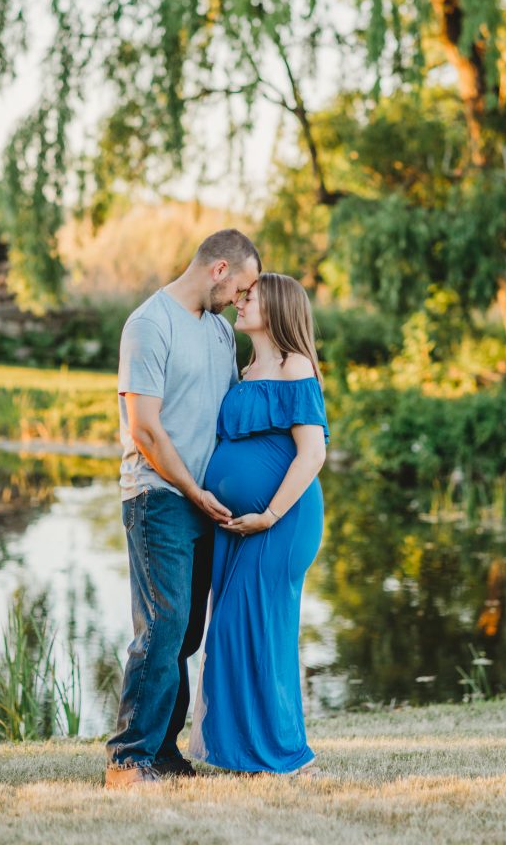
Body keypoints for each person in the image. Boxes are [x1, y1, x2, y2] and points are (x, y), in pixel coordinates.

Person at [104, 229, 261, 789]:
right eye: (241, 288)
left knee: (188, 633)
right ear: (219, 269)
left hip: (204, 504)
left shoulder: (220, 331)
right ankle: (127, 759)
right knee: (162, 627)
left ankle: (163, 752)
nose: (241, 301)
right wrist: (194, 491)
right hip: (159, 496)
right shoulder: (149, 324)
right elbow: (145, 429)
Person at [189, 272, 328, 775]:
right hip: (238, 525)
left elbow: (312, 454)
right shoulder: (246, 369)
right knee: (228, 629)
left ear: (279, 307)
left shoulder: (297, 366)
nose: (241, 303)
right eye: (241, 296)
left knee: (258, 629)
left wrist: (268, 515)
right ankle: (239, 752)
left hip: (281, 522)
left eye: (251, 297)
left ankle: (282, 754)